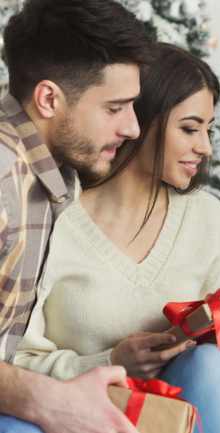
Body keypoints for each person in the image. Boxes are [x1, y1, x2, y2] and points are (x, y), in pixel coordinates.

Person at [13, 43, 220, 433]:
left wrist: (213, 329)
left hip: (180, 413)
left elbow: (207, 374)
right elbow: (15, 360)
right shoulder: (54, 218)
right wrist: (110, 361)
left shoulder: (207, 217)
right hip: (82, 413)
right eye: (189, 128)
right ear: (141, 120)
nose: (205, 147)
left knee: (210, 369)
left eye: (208, 129)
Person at [0, 0, 156, 431]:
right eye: (114, 108)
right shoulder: (3, 179)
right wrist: (51, 402)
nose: (132, 129)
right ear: (48, 98)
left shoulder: (49, 173)